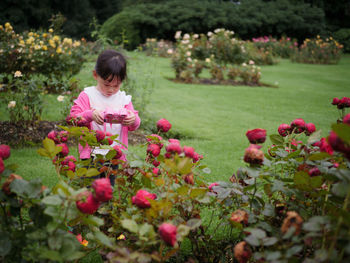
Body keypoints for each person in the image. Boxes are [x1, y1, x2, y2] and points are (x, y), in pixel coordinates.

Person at [68, 49, 141, 185]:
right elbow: (73, 119)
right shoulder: (88, 96)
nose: (111, 90)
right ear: (95, 75)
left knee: (108, 187)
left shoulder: (123, 99)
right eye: (107, 84)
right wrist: (89, 114)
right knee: (91, 186)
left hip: (114, 153)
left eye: (116, 85)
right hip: (92, 153)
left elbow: (134, 123)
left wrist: (133, 120)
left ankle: (106, 207)